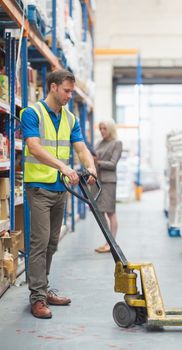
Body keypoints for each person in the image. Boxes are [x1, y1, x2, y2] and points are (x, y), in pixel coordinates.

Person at [20, 69, 96, 319]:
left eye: (72, 91)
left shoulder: (70, 118)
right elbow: (33, 146)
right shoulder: (32, 113)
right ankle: (37, 298)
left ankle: (43, 288)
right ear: (53, 87)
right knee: (40, 243)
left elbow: (81, 147)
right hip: (39, 187)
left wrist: (91, 166)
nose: (69, 95)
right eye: (66, 90)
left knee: (52, 243)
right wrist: (64, 166)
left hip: (60, 188)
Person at [94, 120, 122, 253]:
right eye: (100, 129)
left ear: (110, 129)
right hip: (98, 181)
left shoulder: (116, 143)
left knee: (110, 212)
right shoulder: (99, 143)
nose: (102, 131)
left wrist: (98, 162)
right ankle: (108, 240)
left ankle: (111, 243)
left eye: (104, 128)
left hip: (109, 181)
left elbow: (113, 164)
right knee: (99, 211)